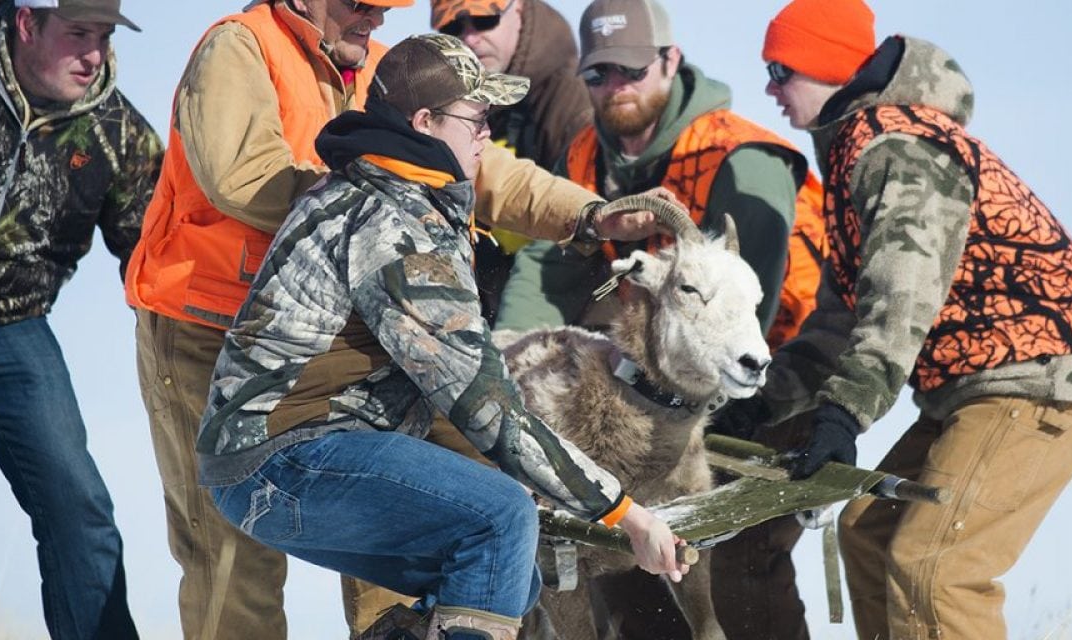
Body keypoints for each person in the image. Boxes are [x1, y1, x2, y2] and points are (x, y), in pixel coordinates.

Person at [124, 1, 667, 637]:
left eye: (384, 7)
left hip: (361, 344)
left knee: (468, 523)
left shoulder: (389, 76)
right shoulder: (241, 49)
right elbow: (242, 176)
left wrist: (587, 213)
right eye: (360, 4)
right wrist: (379, 192)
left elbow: (475, 161)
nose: (374, 18)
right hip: (208, 328)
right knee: (233, 564)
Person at [757, 1, 1072, 638]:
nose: (770, 88)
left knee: (936, 565)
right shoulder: (855, 147)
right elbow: (841, 318)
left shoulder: (899, 149)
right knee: (869, 534)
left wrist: (845, 414)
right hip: (976, 378)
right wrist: (760, 405)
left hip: (1042, 372)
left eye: (780, 69)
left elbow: (901, 299)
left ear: (826, 67)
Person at [495, 0, 824, 637]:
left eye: (631, 69)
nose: (615, 87)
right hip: (668, 398)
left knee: (739, 564)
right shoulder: (590, 156)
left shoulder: (741, 154)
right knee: (627, 564)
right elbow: (546, 271)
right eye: (598, 75)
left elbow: (742, 308)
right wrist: (509, 358)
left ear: (670, 60)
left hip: (778, 378)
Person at [0, 1, 161, 638]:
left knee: (80, 509)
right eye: (78, 34)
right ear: (27, 22)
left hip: (13, 328)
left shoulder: (119, 134)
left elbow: (156, 257)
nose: (94, 55)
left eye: (104, 37)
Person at [430, 0, 594, 324]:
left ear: (518, 10)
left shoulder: (572, 99)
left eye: (484, 20)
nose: (470, 38)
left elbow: (582, 248)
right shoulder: (450, 97)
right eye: (452, 28)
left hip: (549, 309)